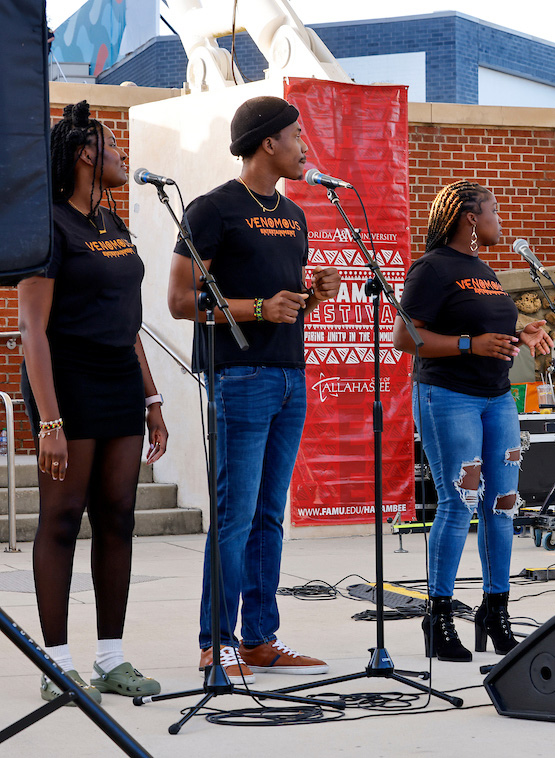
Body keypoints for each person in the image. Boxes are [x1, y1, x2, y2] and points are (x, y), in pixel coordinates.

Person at [167, 96, 340, 681]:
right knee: (235, 514)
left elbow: (287, 306)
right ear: (269, 142)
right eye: (297, 136)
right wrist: (259, 308)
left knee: (270, 515)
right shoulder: (213, 209)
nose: (304, 147)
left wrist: (316, 293)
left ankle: (261, 638)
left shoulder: (293, 216)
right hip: (240, 377)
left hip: (290, 374)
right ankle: (216, 642)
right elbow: (182, 301)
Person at [18, 101, 168, 704]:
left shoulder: (114, 225)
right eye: (113, 146)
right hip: (67, 378)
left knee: (117, 518)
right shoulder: (47, 225)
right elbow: (32, 330)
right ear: (85, 153)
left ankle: (112, 657)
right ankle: (56, 663)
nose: (122, 156)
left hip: (119, 380)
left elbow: (127, 322)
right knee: (61, 518)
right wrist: (48, 421)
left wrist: (152, 396)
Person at [394, 180, 553, 662]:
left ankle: (495, 612)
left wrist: (519, 332)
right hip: (449, 397)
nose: (499, 219)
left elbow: (486, 326)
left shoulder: (483, 269)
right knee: (459, 502)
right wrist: (470, 344)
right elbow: (406, 337)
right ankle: (439, 618)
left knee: (502, 504)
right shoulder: (431, 269)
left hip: (497, 398)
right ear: (469, 218)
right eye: (494, 210)